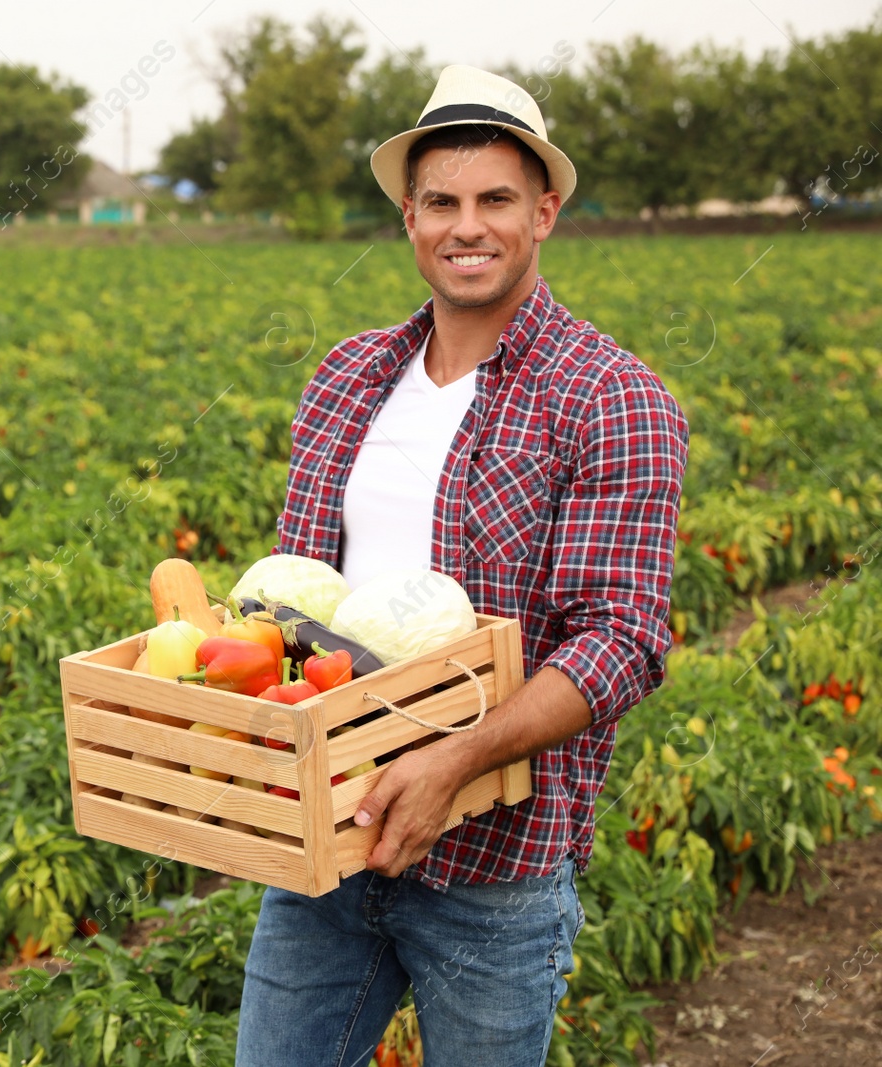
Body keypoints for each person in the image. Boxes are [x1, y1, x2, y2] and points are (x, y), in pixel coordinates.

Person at [235, 65, 689, 1066]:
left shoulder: (610, 396)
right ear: (408, 215)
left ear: (544, 212)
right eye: (441, 200)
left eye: (495, 199)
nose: (465, 225)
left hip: (495, 865)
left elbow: (621, 641)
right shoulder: (347, 376)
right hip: (329, 841)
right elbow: (290, 595)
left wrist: (451, 762)